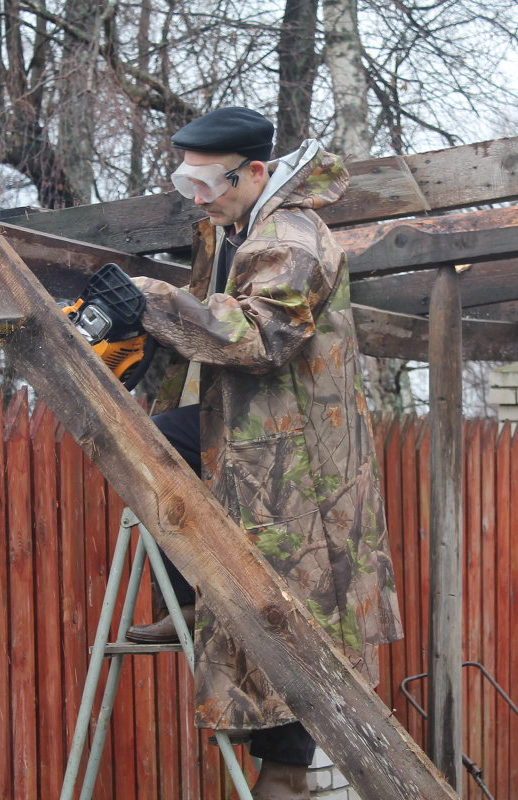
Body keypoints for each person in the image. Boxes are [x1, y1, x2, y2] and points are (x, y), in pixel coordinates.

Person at [123, 107, 403, 799]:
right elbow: (200, 307)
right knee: (146, 450)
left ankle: (284, 778)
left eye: (205, 184)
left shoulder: (292, 236)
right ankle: (190, 599)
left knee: (296, 607)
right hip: (246, 434)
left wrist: (152, 302)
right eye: (184, 183)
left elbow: (259, 336)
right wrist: (133, 342)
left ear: (253, 171)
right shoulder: (229, 225)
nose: (198, 199)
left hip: (296, 456)